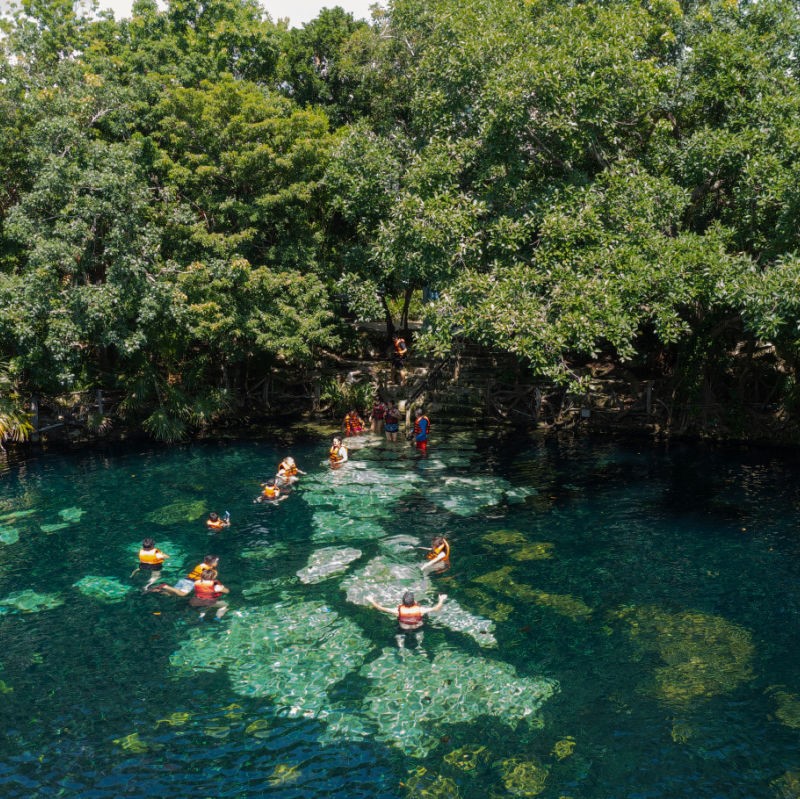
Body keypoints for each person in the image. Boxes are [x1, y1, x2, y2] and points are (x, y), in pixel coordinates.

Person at [368, 591, 447, 648]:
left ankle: (400, 644)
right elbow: (437, 608)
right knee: (422, 622)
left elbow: (381, 608)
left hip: (403, 628)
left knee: (399, 634)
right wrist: (441, 599)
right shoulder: (420, 610)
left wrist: (372, 600)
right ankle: (419, 642)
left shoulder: (397, 610)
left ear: (403, 602)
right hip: (418, 627)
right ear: (413, 602)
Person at [151, 555, 220, 597]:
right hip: (190, 583)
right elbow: (208, 579)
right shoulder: (211, 571)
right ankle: (165, 586)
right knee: (182, 594)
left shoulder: (201, 565)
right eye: (216, 562)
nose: (217, 563)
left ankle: (157, 590)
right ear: (211, 563)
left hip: (185, 579)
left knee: (171, 593)